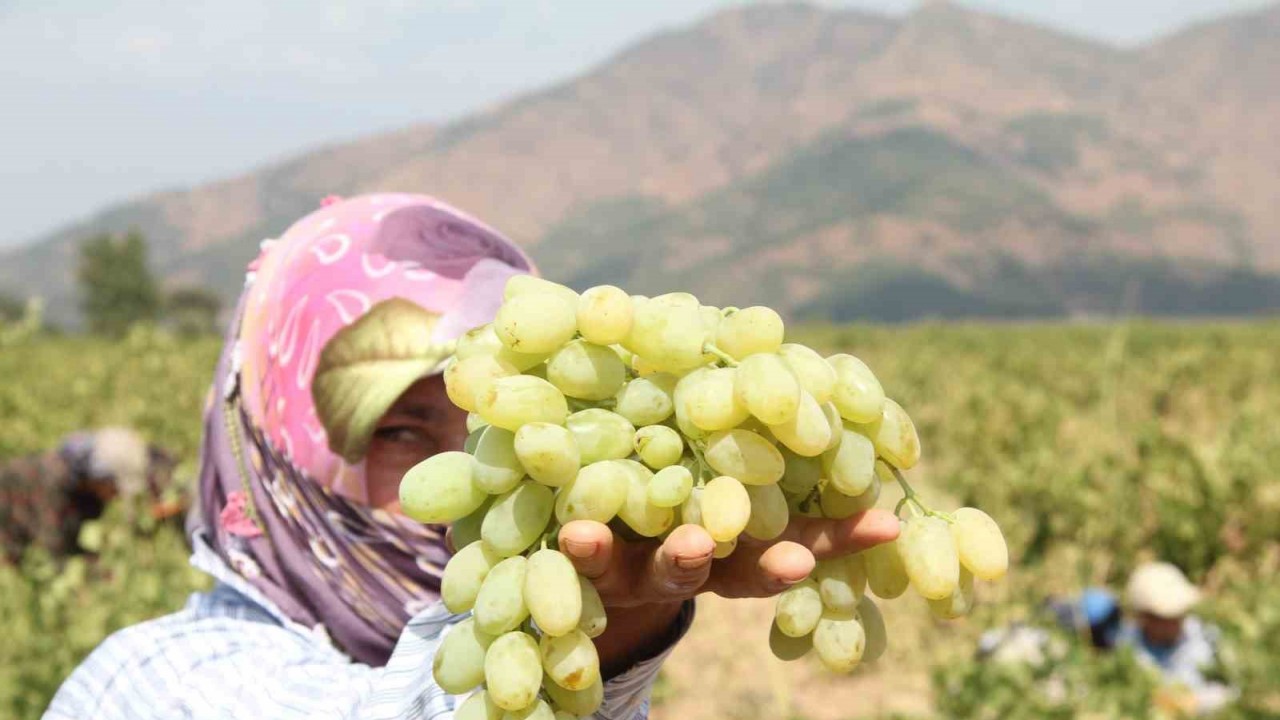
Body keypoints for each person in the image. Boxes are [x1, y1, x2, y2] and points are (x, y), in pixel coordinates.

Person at [44, 193, 900, 719]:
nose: (482, 475)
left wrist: (607, 640)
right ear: (279, 454)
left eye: (491, 423)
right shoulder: (158, 684)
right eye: (400, 429)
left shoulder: (543, 647)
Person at [0, 426, 179, 563]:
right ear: (100, 478)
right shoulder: (51, 486)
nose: (116, 495)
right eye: (115, 488)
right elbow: (53, 555)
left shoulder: (86, 481)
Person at [1116, 562, 1236, 716]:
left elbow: (1233, 690)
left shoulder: (1207, 638)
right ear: (1143, 617)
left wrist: (1196, 702)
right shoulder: (1126, 647)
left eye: (1177, 616)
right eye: (1162, 618)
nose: (1172, 624)